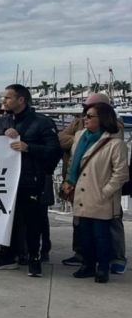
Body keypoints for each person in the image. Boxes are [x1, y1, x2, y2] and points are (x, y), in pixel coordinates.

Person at [0, 84, 63, 277]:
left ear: (21, 100)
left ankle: (34, 258)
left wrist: (29, 147)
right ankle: (7, 255)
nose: (4, 101)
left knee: (33, 221)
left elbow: (54, 150)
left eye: (8, 98)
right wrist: (2, 135)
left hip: (31, 179)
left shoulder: (42, 122)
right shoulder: (3, 121)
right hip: (5, 180)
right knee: (7, 219)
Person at [62, 102, 128, 283]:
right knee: (84, 235)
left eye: (90, 116)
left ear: (103, 119)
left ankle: (103, 268)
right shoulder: (80, 136)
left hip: (100, 197)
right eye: (85, 116)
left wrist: (105, 192)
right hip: (80, 193)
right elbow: (74, 161)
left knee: (101, 236)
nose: (85, 119)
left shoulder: (115, 143)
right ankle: (88, 265)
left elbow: (121, 173)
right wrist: (69, 181)